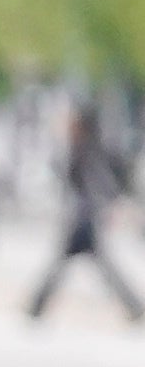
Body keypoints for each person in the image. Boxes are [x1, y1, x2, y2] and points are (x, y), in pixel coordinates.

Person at [28, 98, 139, 323]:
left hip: (83, 218)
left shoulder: (86, 149)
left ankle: (36, 306)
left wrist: (101, 207)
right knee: (97, 266)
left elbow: (95, 183)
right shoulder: (81, 147)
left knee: (69, 265)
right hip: (83, 217)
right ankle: (36, 306)